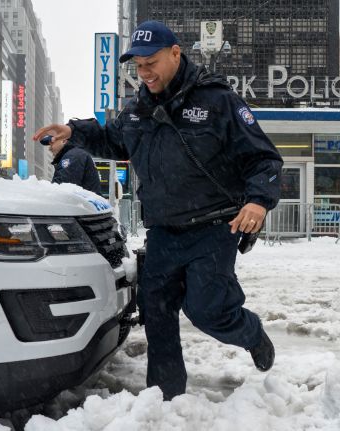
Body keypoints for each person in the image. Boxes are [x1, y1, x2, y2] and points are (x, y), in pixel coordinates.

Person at [33, 20, 282, 401]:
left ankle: (251, 333)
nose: (144, 73)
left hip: (214, 227)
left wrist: (257, 200)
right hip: (164, 231)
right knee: (158, 314)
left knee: (208, 311)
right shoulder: (137, 111)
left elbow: (263, 159)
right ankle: (165, 400)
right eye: (138, 66)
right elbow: (112, 140)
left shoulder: (217, 100)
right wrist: (74, 132)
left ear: (176, 54)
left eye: (151, 63)